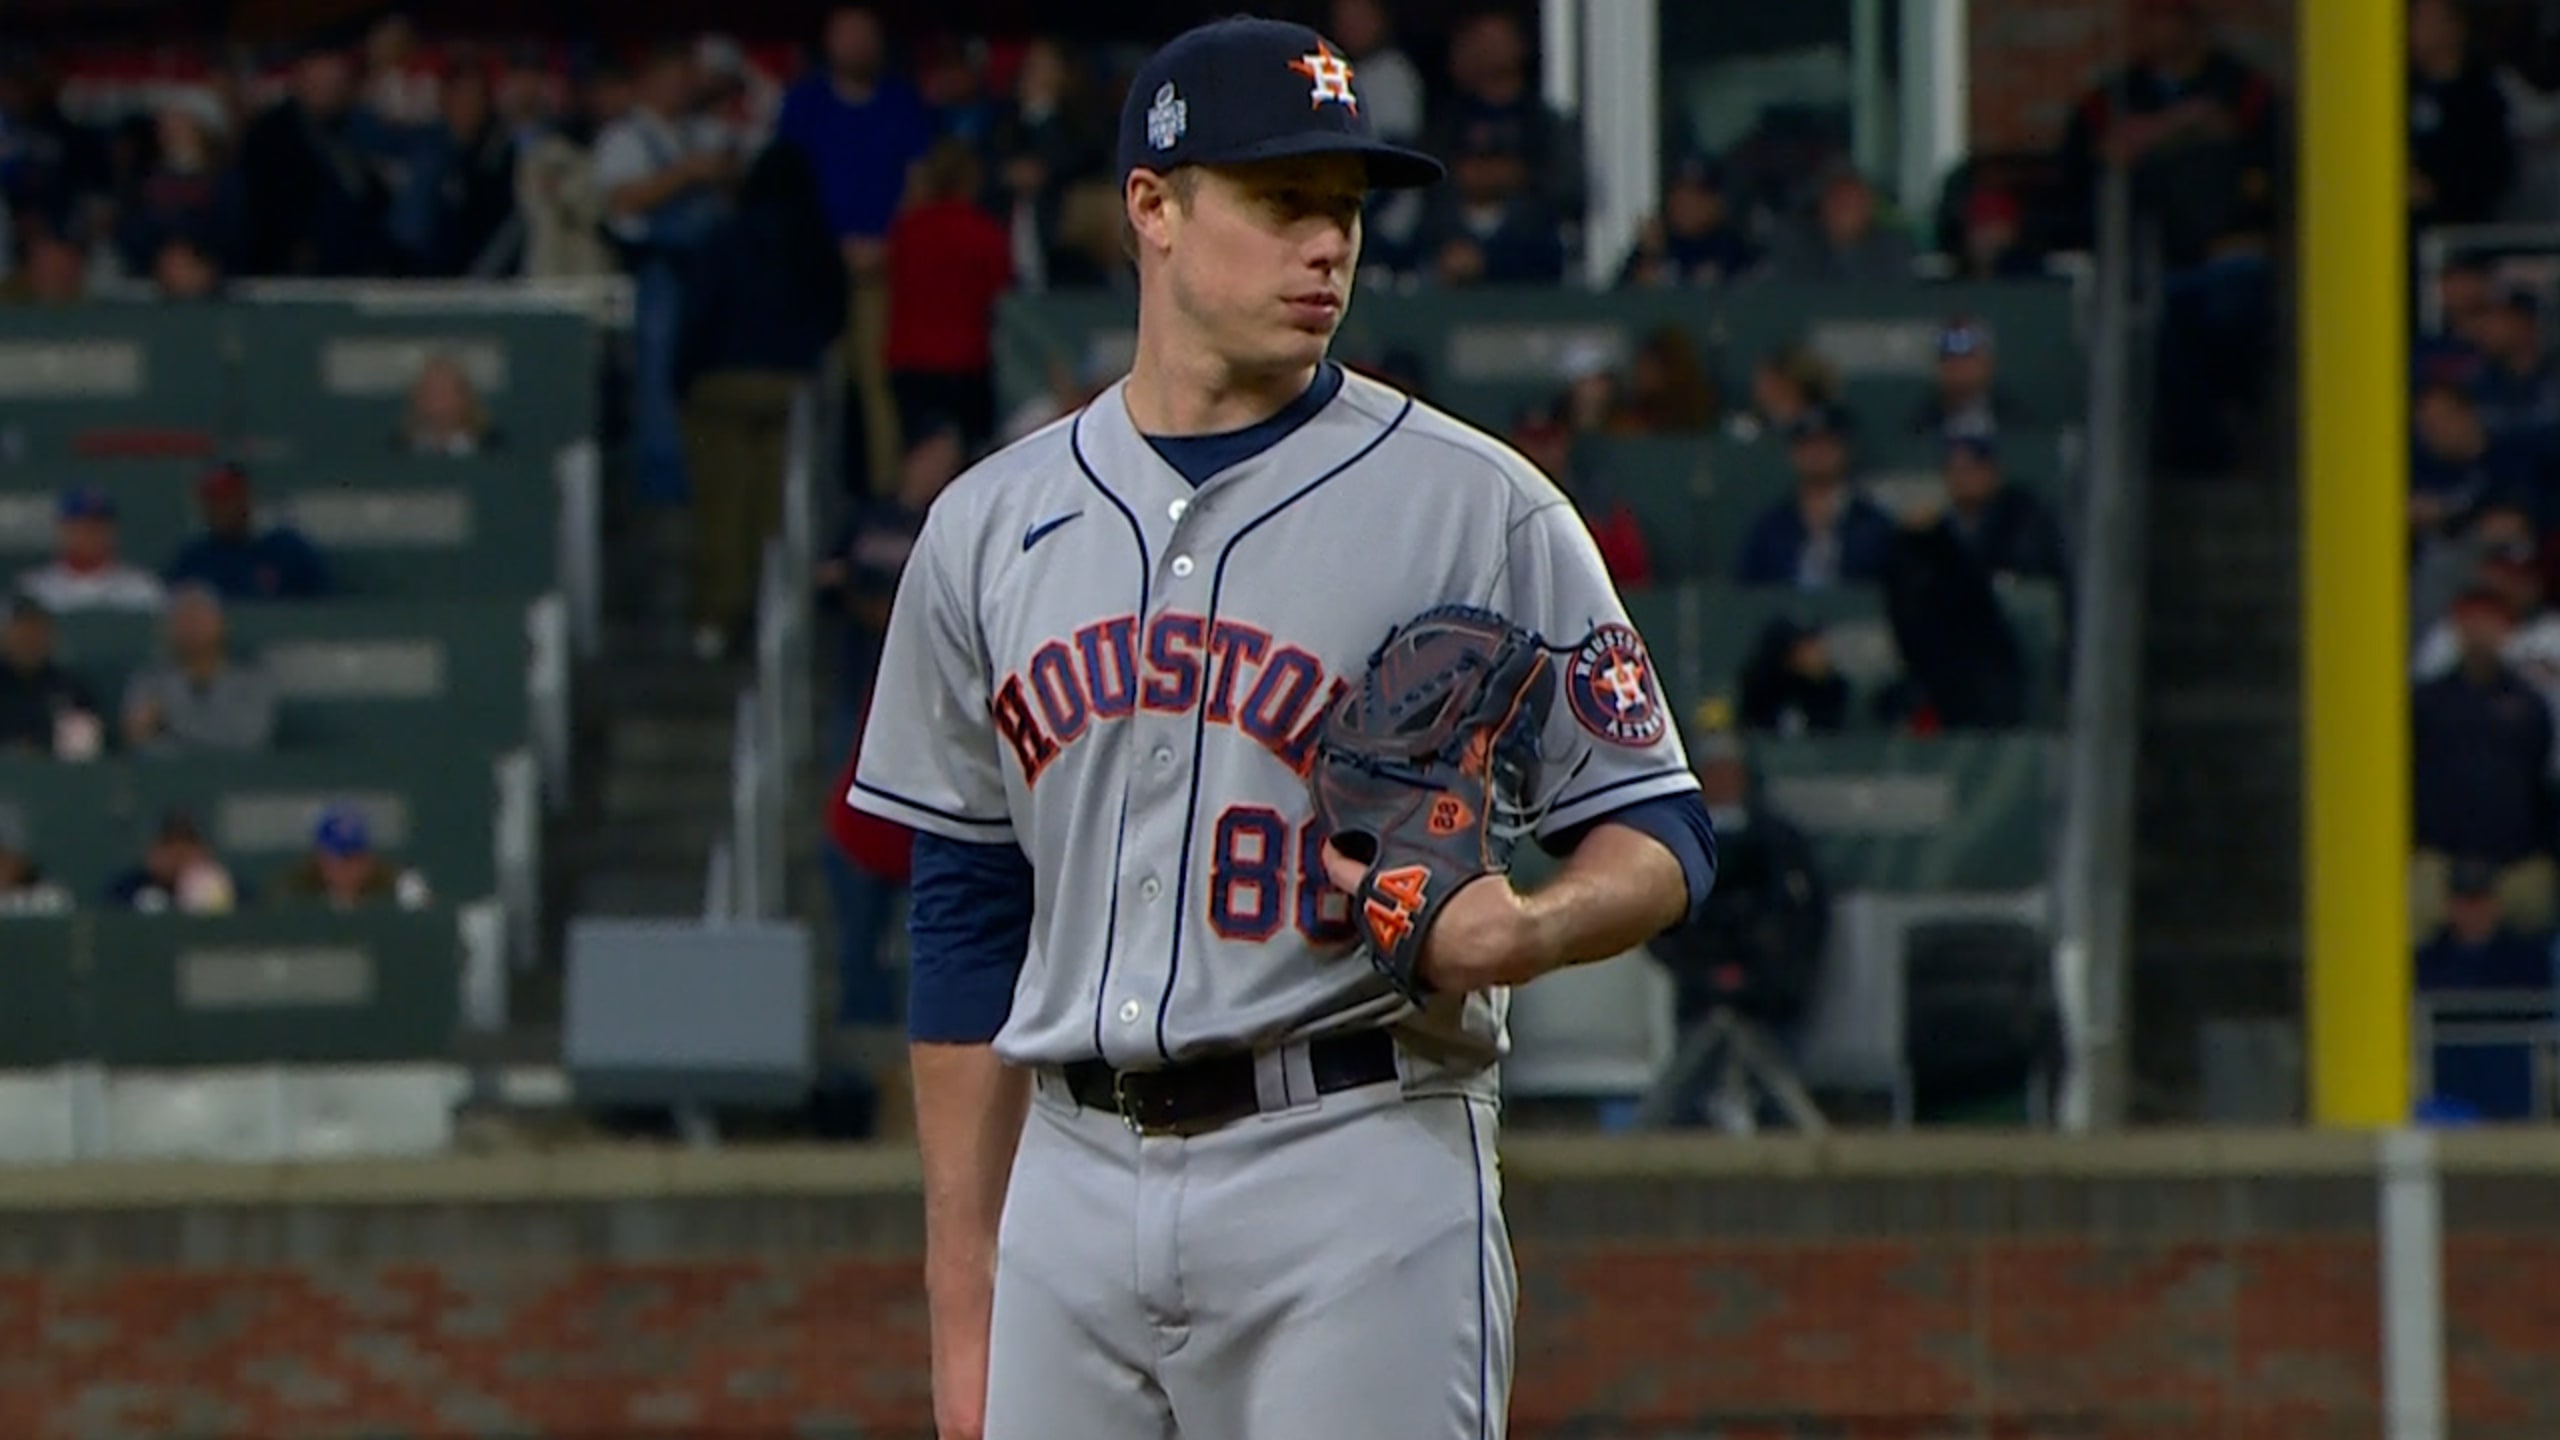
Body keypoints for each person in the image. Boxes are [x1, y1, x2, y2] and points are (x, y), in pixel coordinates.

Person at [842, 18, 1715, 1440]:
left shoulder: (1478, 507)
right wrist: (967, 1298)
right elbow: (965, 917)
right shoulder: (988, 528)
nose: (1329, 249)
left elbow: (1665, 827)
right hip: (1068, 1172)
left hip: (1355, 1157)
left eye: (1347, 213)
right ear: (1155, 209)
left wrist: (1533, 928)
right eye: (1284, 204)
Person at [120, 584, 277, 755]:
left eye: (199, 618)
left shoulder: (252, 678)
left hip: (241, 777)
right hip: (169, 778)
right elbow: (143, 743)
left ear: (220, 624)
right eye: (182, 620)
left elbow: (247, 737)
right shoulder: (147, 680)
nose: (191, 628)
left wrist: (168, 719)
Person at [164, 462, 330, 601]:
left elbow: (324, 605)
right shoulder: (193, 559)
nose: (219, 509)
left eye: (227, 500)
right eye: (212, 502)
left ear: (246, 499)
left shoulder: (287, 549)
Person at [15, 488, 164, 614]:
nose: (91, 535)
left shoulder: (141, 588)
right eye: (81, 527)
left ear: (113, 532)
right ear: (63, 530)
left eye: (98, 527)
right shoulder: (34, 589)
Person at [0, 593, 100, 758]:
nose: (29, 640)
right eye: (22, 632)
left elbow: (89, 750)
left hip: (58, 777)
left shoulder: (71, 688)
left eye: (36, 632)